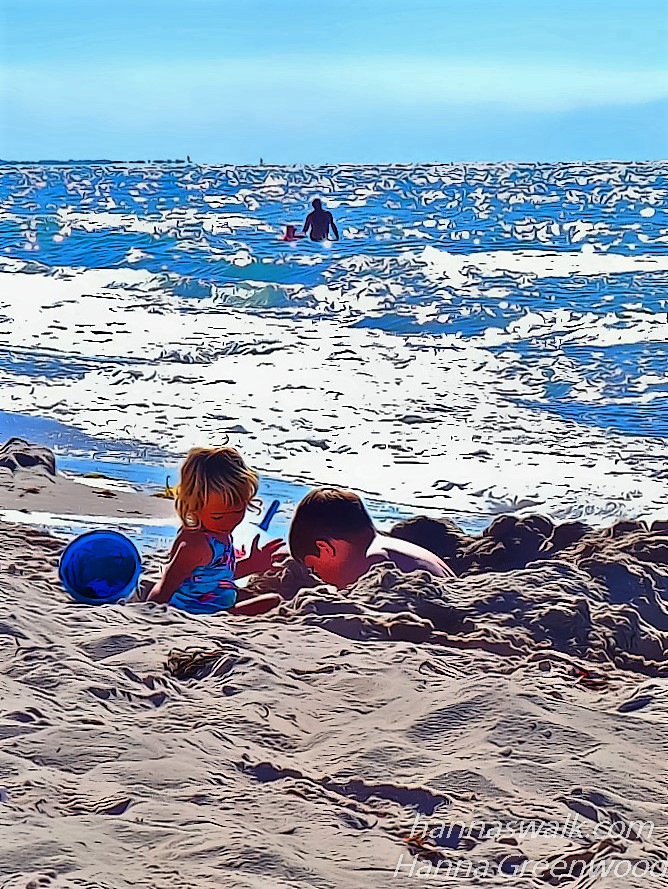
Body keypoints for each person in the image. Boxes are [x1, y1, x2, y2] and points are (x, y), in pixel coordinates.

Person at [147, 446, 285, 615]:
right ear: (194, 507)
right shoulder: (196, 545)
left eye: (237, 511)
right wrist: (149, 609)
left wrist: (252, 565)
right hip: (200, 611)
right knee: (273, 601)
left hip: (215, 600)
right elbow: (168, 583)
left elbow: (219, 576)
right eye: (218, 516)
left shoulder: (219, 533)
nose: (229, 522)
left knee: (269, 599)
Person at [288, 487, 453, 589]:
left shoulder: (374, 562)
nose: (319, 578)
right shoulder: (393, 547)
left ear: (325, 549)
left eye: (314, 569)